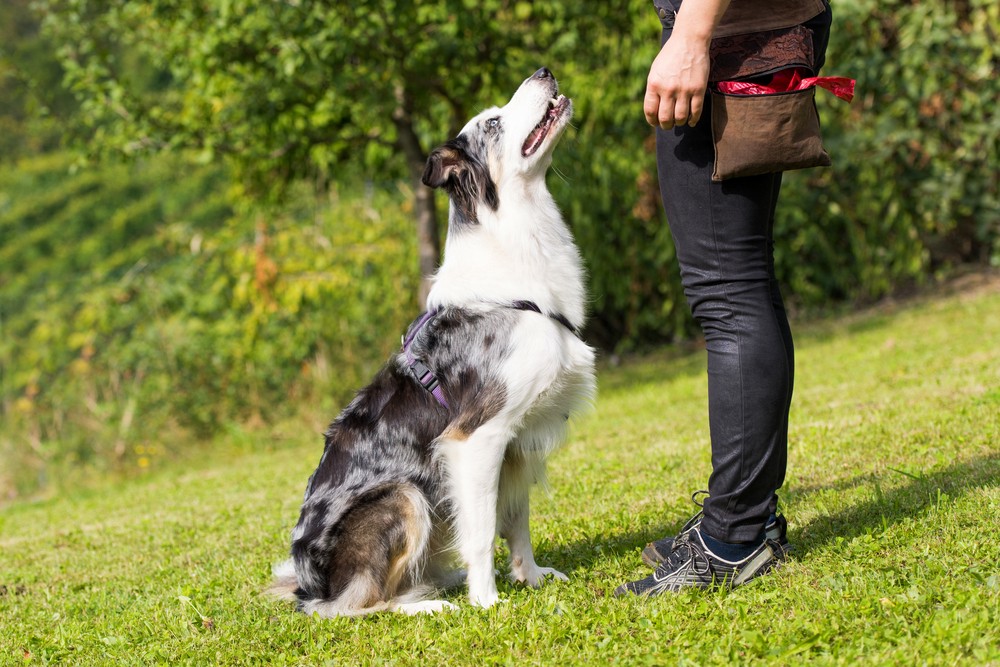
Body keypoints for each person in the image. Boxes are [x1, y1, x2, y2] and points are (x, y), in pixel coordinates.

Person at [616, 0, 833, 595]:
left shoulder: (704, 34)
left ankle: (734, 537)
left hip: (733, 36)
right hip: (748, 30)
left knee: (728, 289)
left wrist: (691, 34)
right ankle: (748, 513)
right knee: (740, 281)